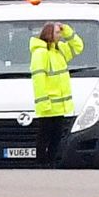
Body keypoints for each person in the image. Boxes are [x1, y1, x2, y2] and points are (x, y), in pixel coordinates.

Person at [29, 21, 84, 166]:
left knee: (56, 137)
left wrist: (67, 30)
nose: (60, 35)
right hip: (48, 105)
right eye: (57, 33)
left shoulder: (59, 50)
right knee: (44, 136)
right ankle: (42, 163)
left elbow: (78, 46)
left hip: (59, 105)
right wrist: (43, 101)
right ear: (49, 34)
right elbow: (39, 79)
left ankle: (51, 162)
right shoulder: (40, 53)